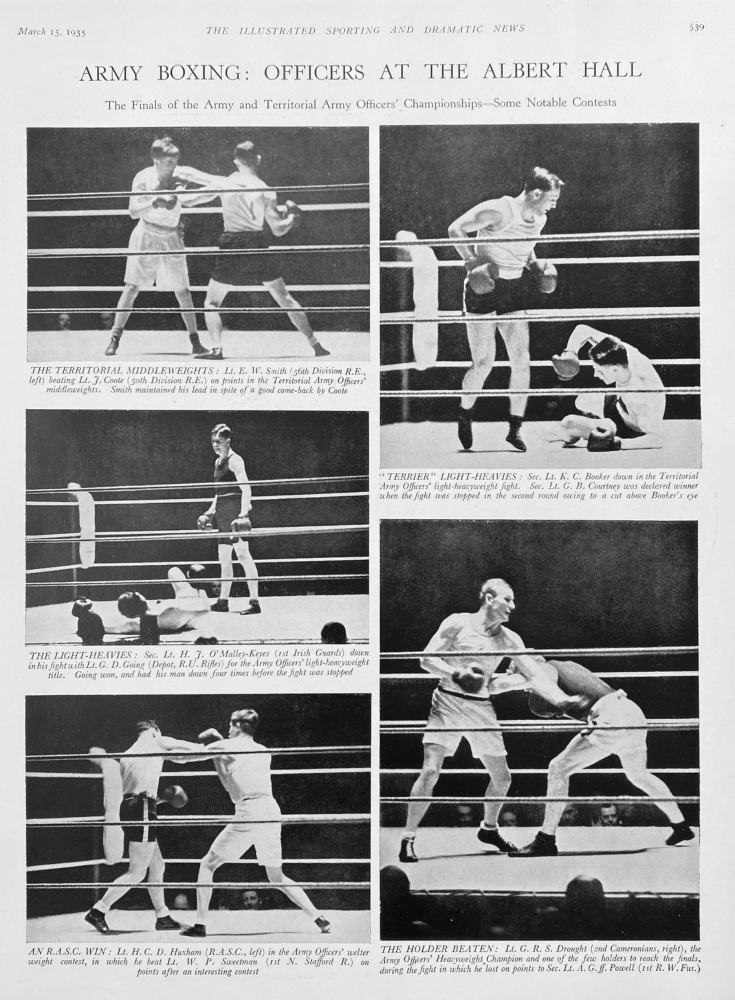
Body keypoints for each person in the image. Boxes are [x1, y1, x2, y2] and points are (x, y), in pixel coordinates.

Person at [398, 578, 586, 864]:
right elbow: (426, 658)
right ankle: (408, 839)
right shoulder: (457, 623)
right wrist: (456, 674)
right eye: (507, 599)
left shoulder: (510, 639)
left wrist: (562, 701)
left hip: (481, 708)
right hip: (446, 702)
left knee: (502, 778)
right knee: (430, 771)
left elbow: (535, 675)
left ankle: (489, 829)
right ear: (488, 598)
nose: (512, 606)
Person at [507, 659, 695, 856]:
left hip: (610, 716)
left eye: (513, 668)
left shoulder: (544, 670)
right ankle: (681, 826)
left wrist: (517, 682)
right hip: (630, 710)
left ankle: (545, 840)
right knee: (638, 775)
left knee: (558, 768)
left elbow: (541, 681)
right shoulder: (566, 665)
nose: (514, 674)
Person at [180, 708, 331, 937]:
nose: (228, 729)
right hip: (270, 810)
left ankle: (200, 925)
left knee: (207, 864)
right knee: (276, 876)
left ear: (237, 725)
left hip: (249, 809)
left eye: (230, 725)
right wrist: (218, 751)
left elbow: (185, 758)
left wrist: (160, 750)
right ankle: (319, 918)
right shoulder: (262, 751)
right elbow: (230, 782)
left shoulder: (228, 746)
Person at [448, 166, 563, 453]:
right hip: (483, 290)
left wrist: (534, 265)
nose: (554, 204)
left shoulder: (540, 218)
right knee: (484, 362)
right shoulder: (499, 209)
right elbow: (455, 229)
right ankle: (465, 413)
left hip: (513, 290)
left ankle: (514, 428)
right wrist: (472, 262)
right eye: (551, 198)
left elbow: (525, 246)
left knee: (522, 359)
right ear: (536, 193)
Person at [192, 140, 330, 360]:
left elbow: (192, 201)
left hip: (233, 243)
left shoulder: (227, 182)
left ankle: (217, 349)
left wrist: (177, 193)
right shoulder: (267, 190)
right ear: (258, 160)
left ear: (236, 161)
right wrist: (293, 218)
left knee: (211, 302)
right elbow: (277, 230)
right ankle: (316, 345)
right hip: (257, 242)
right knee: (284, 297)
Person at [85, 720, 206, 934]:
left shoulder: (128, 755)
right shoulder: (157, 741)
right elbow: (187, 752)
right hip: (142, 809)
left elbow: (135, 792)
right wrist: (209, 749)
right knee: (137, 872)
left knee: (157, 865)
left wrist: (161, 800)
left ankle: (163, 917)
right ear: (154, 730)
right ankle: (98, 911)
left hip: (132, 808)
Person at [104, 136, 217, 359]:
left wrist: (224, 187)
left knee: (182, 290)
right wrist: (153, 202)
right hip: (146, 233)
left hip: (171, 235)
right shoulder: (143, 178)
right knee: (132, 287)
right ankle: (114, 339)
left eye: (175, 160)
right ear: (156, 160)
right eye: (168, 162)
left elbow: (200, 191)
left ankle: (195, 343)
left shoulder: (181, 174)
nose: (173, 165)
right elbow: (133, 212)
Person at [551, 325, 665, 450]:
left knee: (568, 424)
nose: (595, 375)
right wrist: (570, 352)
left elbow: (656, 439)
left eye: (600, 371)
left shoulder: (642, 397)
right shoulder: (620, 350)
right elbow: (582, 330)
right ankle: (595, 426)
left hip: (630, 428)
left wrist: (617, 443)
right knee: (582, 400)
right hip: (619, 404)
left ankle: (602, 428)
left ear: (615, 368)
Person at [198, 422, 260, 615]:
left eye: (219, 441)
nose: (215, 444)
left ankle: (255, 602)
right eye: (213, 441)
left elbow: (246, 489)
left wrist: (243, 515)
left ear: (227, 441)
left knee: (243, 556)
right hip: (223, 515)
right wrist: (208, 513)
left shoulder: (235, 460)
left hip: (235, 513)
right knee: (224, 559)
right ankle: (223, 601)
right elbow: (218, 495)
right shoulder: (217, 462)